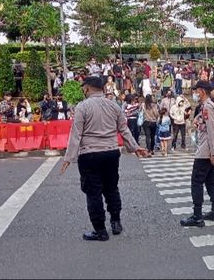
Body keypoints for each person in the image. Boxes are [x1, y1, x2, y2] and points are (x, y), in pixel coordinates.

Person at [60, 76, 148, 241]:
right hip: (111, 152)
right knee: (111, 188)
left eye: (83, 87)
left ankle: (100, 230)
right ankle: (116, 222)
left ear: (87, 88)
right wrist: (135, 147)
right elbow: (124, 129)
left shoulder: (82, 107)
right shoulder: (114, 106)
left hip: (89, 154)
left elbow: (76, 134)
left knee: (93, 193)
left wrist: (69, 157)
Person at [180, 80, 214, 227]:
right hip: (209, 150)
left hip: (205, 151)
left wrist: (212, 153)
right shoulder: (209, 107)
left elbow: (211, 131)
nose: (195, 94)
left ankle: (197, 216)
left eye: (196, 91)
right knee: (211, 180)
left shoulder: (207, 108)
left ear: (202, 91)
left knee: (196, 182)